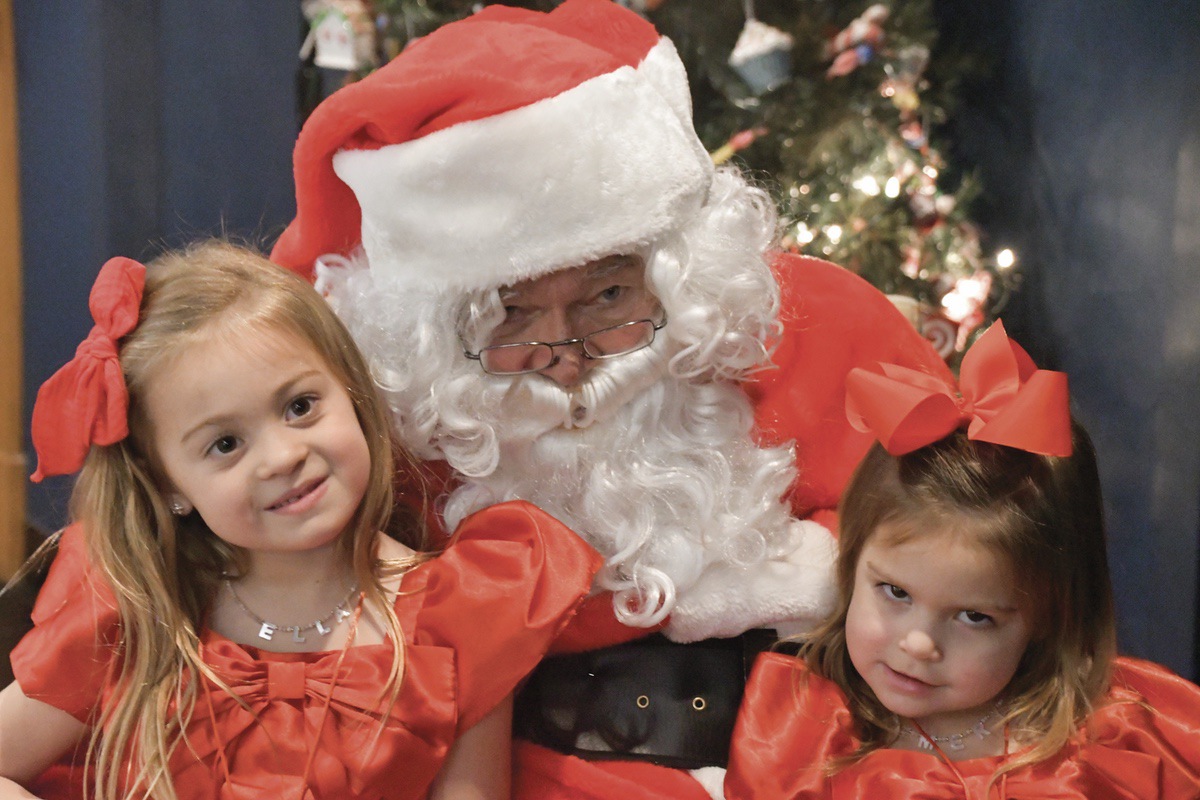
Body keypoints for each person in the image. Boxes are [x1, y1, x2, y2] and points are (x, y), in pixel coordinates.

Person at [269, 0, 952, 796]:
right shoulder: (380, 426)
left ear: (680, 275)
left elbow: (972, 551)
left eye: (608, 296)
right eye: (508, 315)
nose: (566, 363)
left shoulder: (818, 328)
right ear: (429, 330)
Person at [0, 241, 602, 800]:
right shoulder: (138, 609)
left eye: (299, 406)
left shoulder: (461, 614)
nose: (283, 456)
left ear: (352, 393)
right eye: (226, 444)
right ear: (167, 485)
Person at [724, 321, 1200, 799]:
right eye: (895, 592)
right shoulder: (800, 735)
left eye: (974, 617)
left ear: (1049, 615)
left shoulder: (1118, 737)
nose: (919, 643)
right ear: (852, 566)